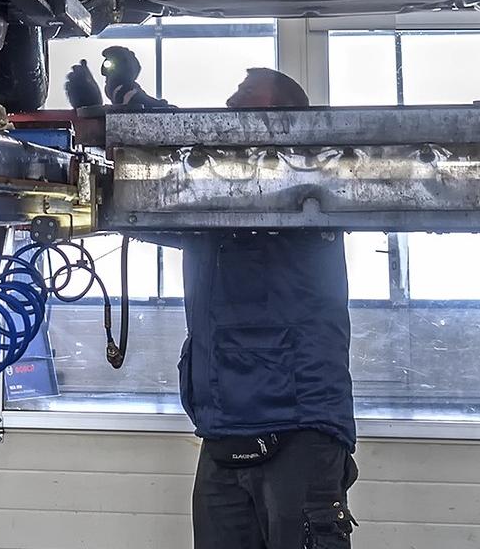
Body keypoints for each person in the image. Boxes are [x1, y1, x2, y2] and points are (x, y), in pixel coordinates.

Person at [65, 60, 357, 549]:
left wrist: (132, 104)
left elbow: (212, 156)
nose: (229, 105)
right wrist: (101, 123)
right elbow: (142, 206)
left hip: (298, 426)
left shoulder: (306, 189)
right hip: (223, 428)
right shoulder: (210, 213)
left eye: (246, 96)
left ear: (284, 118)